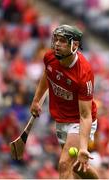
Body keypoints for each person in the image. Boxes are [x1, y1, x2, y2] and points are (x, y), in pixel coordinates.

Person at [30, 24, 99, 179]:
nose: (56, 44)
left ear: (74, 45)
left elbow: (85, 115)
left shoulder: (84, 73)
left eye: (62, 41)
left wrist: (83, 148)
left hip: (79, 121)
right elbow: (47, 75)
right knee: (77, 168)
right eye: (56, 40)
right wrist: (36, 100)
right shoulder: (50, 57)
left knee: (63, 164)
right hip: (61, 119)